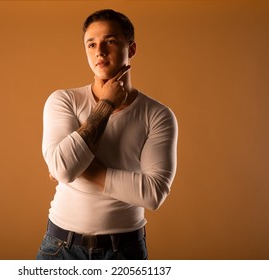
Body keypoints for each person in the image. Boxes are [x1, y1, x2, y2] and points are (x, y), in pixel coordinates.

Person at [36, 9, 178, 260]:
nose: (99, 51)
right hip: (61, 246)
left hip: (125, 250)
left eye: (109, 41)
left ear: (131, 49)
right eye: (91, 44)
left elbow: (153, 194)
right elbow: (62, 169)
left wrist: (75, 168)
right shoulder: (63, 100)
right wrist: (106, 105)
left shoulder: (157, 114)